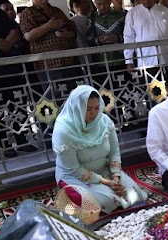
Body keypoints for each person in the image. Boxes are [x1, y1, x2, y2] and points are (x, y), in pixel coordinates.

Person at [52, 85, 149, 214]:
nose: (94, 113)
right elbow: (74, 169)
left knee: (132, 195)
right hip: (75, 176)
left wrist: (115, 176)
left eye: (97, 108)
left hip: (105, 170)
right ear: (77, 108)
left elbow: (114, 152)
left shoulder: (104, 121)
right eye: (88, 109)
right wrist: (106, 182)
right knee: (105, 202)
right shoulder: (63, 132)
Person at [0, 5, 35, 161]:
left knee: (17, 106)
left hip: (9, 69)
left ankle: (22, 140)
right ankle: (5, 145)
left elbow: (15, 32)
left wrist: (4, 43)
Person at [19, 0, 79, 96]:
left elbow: (72, 29)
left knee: (72, 96)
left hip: (67, 61)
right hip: (47, 65)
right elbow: (29, 36)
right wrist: (49, 25)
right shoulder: (27, 13)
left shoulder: (56, 11)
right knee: (55, 98)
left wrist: (67, 34)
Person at [123, 0, 168, 69]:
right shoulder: (132, 14)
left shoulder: (165, 11)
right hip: (146, 61)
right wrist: (129, 61)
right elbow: (128, 38)